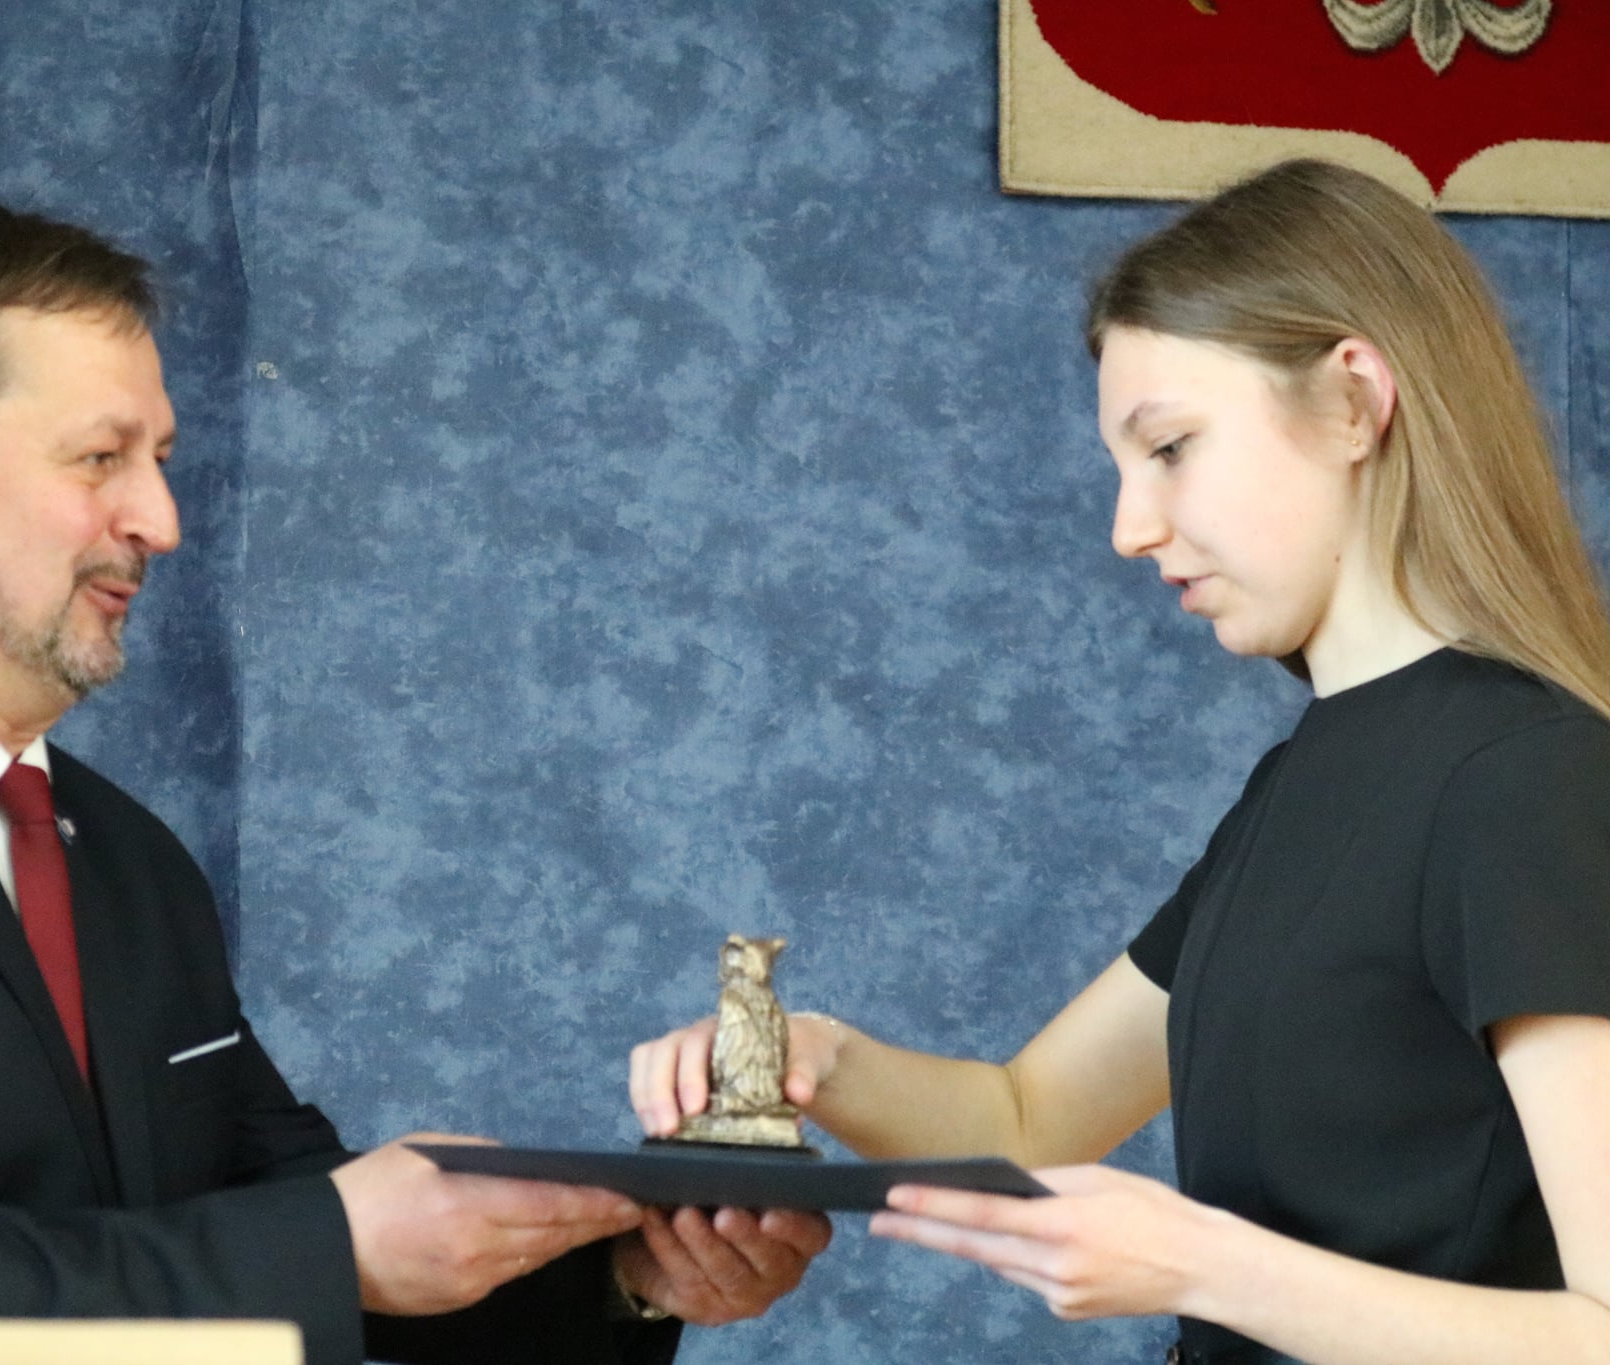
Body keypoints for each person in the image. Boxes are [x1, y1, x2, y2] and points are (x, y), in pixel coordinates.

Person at [0, 204, 828, 1365]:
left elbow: (263, 1209)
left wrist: (630, 1274)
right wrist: (331, 1244)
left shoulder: (122, 855)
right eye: (100, 458)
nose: (160, 521)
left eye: (158, 459)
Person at [630, 158, 1610, 1364]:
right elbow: (1030, 1118)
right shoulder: (1299, 782)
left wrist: (1204, 1266)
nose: (1128, 528)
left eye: (1171, 447)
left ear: (1352, 403)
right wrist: (812, 1061)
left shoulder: (1528, 779)